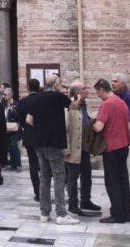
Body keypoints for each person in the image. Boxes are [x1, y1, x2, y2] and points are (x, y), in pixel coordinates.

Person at [27, 74, 79, 225]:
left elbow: (29, 120)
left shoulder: (37, 98)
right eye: (60, 82)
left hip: (39, 143)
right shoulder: (58, 97)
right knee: (59, 176)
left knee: (44, 176)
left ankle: (44, 213)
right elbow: (74, 107)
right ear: (56, 84)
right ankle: (61, 214)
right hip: (54, 143)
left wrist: (41, 128)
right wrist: (76, 96)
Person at [92, 78, 130, 224]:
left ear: (102, 90)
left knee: (112, 182)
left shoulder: (106, 105)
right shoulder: (122, 102)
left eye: (97, 93)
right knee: (123, 181)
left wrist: (93, 123)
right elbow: (128, 125)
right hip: (124, 146)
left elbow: (99, 127)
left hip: (112, 147)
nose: (98, 95)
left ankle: (117, 215)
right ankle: (126, 213)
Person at [64, 80, 101, 216]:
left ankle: (86, 200)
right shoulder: (70, 106)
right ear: (77, 92)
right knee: (73, 177)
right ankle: (72, 203)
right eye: (84, 88)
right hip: (74, 147)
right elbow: (66, 128)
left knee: (87, 175)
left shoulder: (87, 105)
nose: (87, 90)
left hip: (85, 146)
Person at [110, 73, 130, 206]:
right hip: (116, 138)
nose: (113, 84)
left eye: (115, 81)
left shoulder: (129, 98)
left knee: (129, 168)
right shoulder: (115, 96)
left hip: (126, 137)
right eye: (112, 81)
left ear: (123, 83)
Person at [17, 78, 41, 201]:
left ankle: (38, 193)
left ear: (28, 87)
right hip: (42, 135)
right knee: (44, 164)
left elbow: (21, 120)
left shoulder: (22, 102)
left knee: (33, 164)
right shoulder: (43, 100)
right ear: (39, 87)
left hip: (29, 135)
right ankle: (44, 191)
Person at [4, 88, 21, 171]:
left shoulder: (16, 104)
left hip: (15, 127)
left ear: (10, 95)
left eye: (5, 94)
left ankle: (18, 164)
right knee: (9, 145)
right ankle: (13, 164)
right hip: (7, 128)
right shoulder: (4, 105)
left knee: (14, 144)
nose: (4, 96)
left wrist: (12, 110)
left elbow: (19, 117)